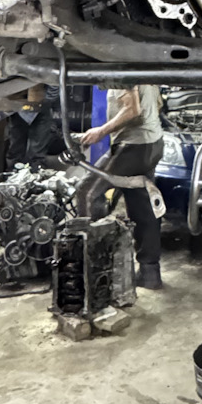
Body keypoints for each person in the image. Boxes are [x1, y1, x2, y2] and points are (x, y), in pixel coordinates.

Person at [76, 85, 166, 291]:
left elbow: (132, 109)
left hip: (134, 146)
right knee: (142, 205)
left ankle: (94, 272)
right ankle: (150, 272)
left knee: (87, 193)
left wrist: (100, 131)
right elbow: (158, 104)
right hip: (151, 142)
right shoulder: (144, 70)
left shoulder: (122, 71)